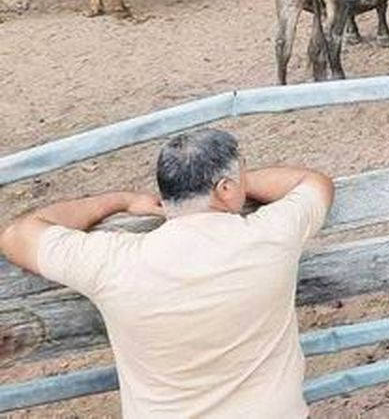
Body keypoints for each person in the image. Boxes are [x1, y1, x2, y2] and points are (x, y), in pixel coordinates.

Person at [0, 129, 335, 417]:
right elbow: (314, 182)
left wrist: (120, 200)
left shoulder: (113, 261)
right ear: (226, 189)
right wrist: (233, 186)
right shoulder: (272, 235)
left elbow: (17, 235)